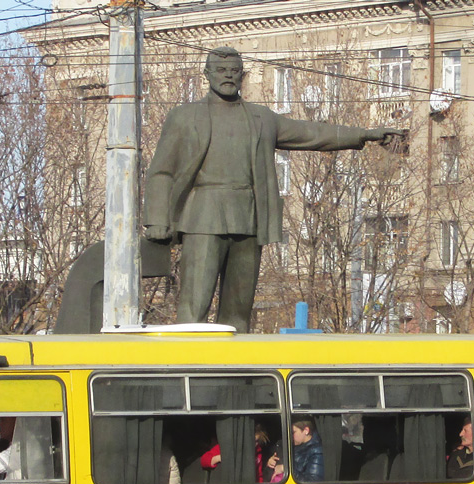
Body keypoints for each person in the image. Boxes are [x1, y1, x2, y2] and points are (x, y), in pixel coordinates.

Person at [143, 46, 404, 333]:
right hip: (202, 216)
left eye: (234, 71)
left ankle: (236, 372)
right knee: (194, 305)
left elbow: (312, 133)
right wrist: (157, 219)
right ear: (206, 74)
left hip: (250, 218)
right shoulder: (184, 116)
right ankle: (187, 368)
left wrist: (365, 134)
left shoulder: (261, 118)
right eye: (220, 71)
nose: (228, 76)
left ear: (242, 75)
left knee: (239, 311)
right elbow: (162, 171)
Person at [290, 417, 324, 483]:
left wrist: (287, 470)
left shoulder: (316, 451)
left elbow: (313, 482)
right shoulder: (294, 446)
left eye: (293, 432)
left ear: (306, 431)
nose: (291, 436)